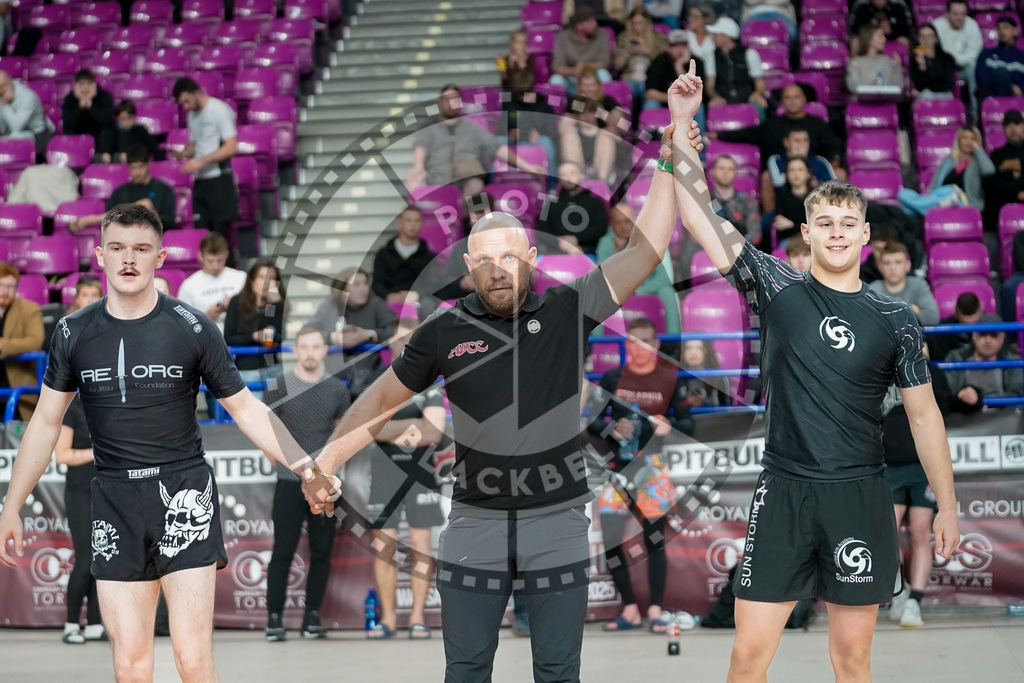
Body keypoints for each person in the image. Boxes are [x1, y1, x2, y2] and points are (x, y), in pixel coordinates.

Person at [305, 66, 695, 682]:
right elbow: (377, 400)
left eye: (508, 257)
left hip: (559, 522)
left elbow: (645, 250)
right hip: (474, 524)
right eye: (484, 260)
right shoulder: (441, 329)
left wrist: (672, 148)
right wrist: (326, 461)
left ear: (531, 258)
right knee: (464, 671)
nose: (496, 269)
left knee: (558, 673)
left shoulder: (571, 308)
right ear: (468, 265)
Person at [669, 67, 959, 680]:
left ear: (864, 239)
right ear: (807, 233)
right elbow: (702, 220)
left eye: (847, 225)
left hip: (859, 495)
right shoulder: (778, 286)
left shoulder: (896, 318)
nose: (835, 232)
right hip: (785, 493)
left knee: (852, 660)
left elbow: (924, 413)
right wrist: (681, 126)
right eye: (823, 223)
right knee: (748, 656)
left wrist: (949, 505)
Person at [0, 204, 339, 682]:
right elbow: (44, 423)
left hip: (184, 493)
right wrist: (11, 504)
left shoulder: (193, 326)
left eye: (141, 249)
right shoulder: (73, 332)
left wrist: (308, 467)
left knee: (193, 661)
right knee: (129, 664)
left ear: (160, 258)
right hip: (115, 500)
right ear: (100, 255)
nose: (128, 259)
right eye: (117, 248)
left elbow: (246, 409)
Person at [585, 317, 693, 632]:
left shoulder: (670, 378)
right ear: (626, 344)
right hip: (616, 471)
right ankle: (630, 608)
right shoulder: (612, 377)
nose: (638, 348)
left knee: (654, 541)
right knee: (612, 542)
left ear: (656, 344)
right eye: (632, 342)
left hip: (653, 472)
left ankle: (656, 611)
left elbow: (689, 424)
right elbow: (591, 421)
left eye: (644, 342)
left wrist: (670, 425)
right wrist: (611, 428)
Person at [263, 325, 351, 642]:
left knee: (322, 552)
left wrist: (329, 471)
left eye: (316, 347)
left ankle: (311, 616)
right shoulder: (278, 386)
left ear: (325, 350)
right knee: (282, 550)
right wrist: (283, 464)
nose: (311, 353)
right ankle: (273, 618)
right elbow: (265, 430)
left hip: (324, 483)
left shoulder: (338, 390)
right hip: (289, 480)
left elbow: (343, 435)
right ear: (295, 351)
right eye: (305, 347)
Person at [882, 341, 979, 628]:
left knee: (921, 533)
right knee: (888, 535)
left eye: (918, 340)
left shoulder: (931, 373)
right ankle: (899, 593)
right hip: (889, 464)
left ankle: (915, 601)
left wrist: (976, 396)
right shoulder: (881, 371)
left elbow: (956, 404)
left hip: (923, 468)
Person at [365, 317, 447, 640]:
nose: (404, 344)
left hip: (420, 473)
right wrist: (414, 429)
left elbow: (435, 432)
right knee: (383, 545)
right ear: (390, 345)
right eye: (398, 339)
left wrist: (390, 431)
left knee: (420, 544)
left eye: (409, 339)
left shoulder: (430, 380)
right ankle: (388, 620)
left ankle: (417, 619)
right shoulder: (377, 380)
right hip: (384, 473)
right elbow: (370, 430)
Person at [56, 281, 105, 645]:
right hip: (79, 490)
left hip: (105, 489)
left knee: (104, 558)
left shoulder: (105, 407)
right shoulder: (72, 409)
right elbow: (63, 456)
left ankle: (98, 623)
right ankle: (72, 622)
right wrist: (96, 453)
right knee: (86, 557)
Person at [406, 85, 544, 197]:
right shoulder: (429, 127)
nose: (451, 103)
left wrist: (528, 167)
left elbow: (498, 148)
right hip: (437, 180)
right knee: (413, 181)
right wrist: (418, 166)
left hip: (467, 181)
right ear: (440, 102)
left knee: (476, 186)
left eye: (455, 99)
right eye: (447, 99)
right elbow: (420, 147)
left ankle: (467, 221)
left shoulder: (473, 128)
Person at [713, 83, 842, 177]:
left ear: (804, 99)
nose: (792, 101)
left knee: (839, 174)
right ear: (782, 102)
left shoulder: (817, 123)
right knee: (766, 177)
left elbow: (832, 147)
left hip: (812, 168)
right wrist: (719, 135)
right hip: (783, 169)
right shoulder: (773, 124)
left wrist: (832, 162)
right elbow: (747, 134)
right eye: (788, 98)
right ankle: (774, 214)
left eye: (796, 97)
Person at [309, 266, 397, 396]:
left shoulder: (375, 303)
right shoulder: (329, 306)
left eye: (365, 283)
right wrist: (333, 338)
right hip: (335, 377)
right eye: (356, 284)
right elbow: (309, 333)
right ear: (343, 289)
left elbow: (397, 330)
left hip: (370, 376)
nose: (364, 288)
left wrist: (369, 335)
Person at [171, 77, 239, 241]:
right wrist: (183, 153)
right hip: (201, 180)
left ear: (197, 93)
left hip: (219, 178)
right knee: (203, 236)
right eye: (183, 104)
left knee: (221, 237)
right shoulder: (192, 116)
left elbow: (231, 147)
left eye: (187, 101)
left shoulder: (218, 109)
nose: (186, 107)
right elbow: (195, 145)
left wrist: (200, 161)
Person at [596, 202, 681, 333]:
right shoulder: (606, 243)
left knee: (667, 292)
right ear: (611, 224)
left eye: (627, 221)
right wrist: (617, 252)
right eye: (618, 222)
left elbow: (663, 278)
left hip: (645, 288)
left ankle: (673, 343)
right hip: (616, 291)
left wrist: (640, 290)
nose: (623, 227)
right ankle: (597, 346)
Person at [69, 144, 177, 233]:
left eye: (141, 167)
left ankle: (93, 219)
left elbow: (170, 221)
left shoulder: (164, 189)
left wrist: (152, 216)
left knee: (146, 204)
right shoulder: (120, 192)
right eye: (133, 168)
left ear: (148, 164)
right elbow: (110, 223)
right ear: (128, 167)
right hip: (126, 237)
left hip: (153, 235)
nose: (138, 172)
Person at [898, 125, 994, 215]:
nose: (968, 142)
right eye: (964, 138)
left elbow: (990, 171)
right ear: (959, 140)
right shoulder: (948, 161)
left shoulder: (977, 161)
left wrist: (978, 149)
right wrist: (927, 194)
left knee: (951, 190)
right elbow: (934, 183)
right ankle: (936, 205)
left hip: (964, 201)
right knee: (903, 194)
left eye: (972, 139)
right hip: (940, 196)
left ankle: (929, 209)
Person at [223, 260, 286, 390]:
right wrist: (255, 336)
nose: (266, 283)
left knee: (275, 410)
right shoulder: (236, 302)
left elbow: (278, 337)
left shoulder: (275, 303)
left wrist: (274, 304)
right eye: (262, 277)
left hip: (272, 368)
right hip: (247, 370)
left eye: (272, 279)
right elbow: (229, 338)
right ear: (252, 280)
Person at [559, 68, 628, 184]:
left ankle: (600, 181)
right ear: (580, 86)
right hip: (580, 141)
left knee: (607, 135)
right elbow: (562, 127)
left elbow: (624, 127)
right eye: (585, 85)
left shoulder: (608, 101)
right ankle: (577, 175)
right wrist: (580, 114)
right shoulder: (576, 102)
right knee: (568, 134)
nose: (588, 89)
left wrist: (603, 114)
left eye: (592, 85)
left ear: (598, 86)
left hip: (604, 144)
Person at [944, 314, 1023, 405]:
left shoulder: (1013, 362)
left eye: (994, 335)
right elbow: (950, 394)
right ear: (974, 335)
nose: (988, 340)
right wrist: (965, 399)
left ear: (1002, 338)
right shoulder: (956, 358)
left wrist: (981, 401)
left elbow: (1017, 395)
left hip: (1002, 416)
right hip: (966, 414)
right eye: (982, 334)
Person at [176, 232, 247, 334]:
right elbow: (182, 325)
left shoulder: (241, 278)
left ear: (226, 255)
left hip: (239, 336)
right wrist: (206, 316)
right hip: (206, 339)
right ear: (201, 256)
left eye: (219, 260)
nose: (215, 266)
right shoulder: (189, 285)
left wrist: (234, 305)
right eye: (210, 261)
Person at [0, 261, 44, 420]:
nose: (5, 291)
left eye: (10, 286)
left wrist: (2, 346)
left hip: (18, 386)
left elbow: (35, 341)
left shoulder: (29, 309)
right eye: (1, 285)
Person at [537, 161, 610, 255]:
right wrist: (561, 242)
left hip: (589, 253)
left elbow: (601, 229)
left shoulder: (596, 202)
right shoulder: (550, 204)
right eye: (563, 174)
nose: (568, 178)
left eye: (572, 173)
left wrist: (576, 239)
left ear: (581, 174)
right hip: (556, 254)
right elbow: (541, 231)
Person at [372, 205, 436, 307]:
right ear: (399, 223)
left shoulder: (429, 257)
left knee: (428, 305)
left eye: (417, 221)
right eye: (408, 220)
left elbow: (433, 284)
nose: (413, 225)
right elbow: (377, 284)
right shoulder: (383, 254)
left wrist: (416, 294)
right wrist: (388, 296)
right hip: (388, 302)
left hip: (419, 302)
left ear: (422, 224)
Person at [867, 242, 940, 326]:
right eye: (887, 263)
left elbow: (932, 317)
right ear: (880, 267)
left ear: (907, 265)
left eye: (898, 262)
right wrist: (913, 310)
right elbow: (868, 323)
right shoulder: (872, 290)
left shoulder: (919, 285)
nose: (892, 268)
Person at [549, 6, 614, 98]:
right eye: (590, 21)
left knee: (604, 74)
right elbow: (557, 66)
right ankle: (559, 110)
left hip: (592, 78)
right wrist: (572, 71)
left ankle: (601, 107)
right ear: (579, 25)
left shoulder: (602, 35)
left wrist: (586, 67)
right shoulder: (562, 37)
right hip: (572, 79)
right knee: (555, 80)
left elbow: (605, 61)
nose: (595, 24)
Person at [703, 17, 767, 109]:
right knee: (711, 107)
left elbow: (760, 84)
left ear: (727, 36)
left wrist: (757, 94)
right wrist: (715, 97)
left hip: (747, 99)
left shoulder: (749, 54)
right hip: (723, 100)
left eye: (716, 35)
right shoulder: (711, 56)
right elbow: (709, 86)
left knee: (759, 106)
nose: (713, 38)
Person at [932, 0, 983, 109]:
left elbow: (974, 53)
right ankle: (949, 110)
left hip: (965, 67)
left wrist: (955, 59)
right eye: (955, 14)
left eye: (962, 14)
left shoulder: (972, 25)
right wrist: (951, 60)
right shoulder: (937, 26)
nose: (959, 18)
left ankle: (976, 112)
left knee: (973, 67)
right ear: (947, 14)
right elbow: (939, 53)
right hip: (944, 68)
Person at [644, 28, 705, 112]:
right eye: (675, 45)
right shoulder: (658, 62)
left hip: (686, 102)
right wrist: (674, 98)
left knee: (698, 107)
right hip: (663, 102)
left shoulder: (696, 62)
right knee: (651, 104)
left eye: (683, 45)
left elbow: (695, 92)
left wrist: (679, 66)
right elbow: (650, 93)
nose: (680, 50)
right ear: (668, 47)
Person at [616, 6, 667, 103]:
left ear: (647, 22)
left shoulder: (658, 37)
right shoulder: (624, 37)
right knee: (626, 90)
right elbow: (617, 66)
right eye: (634, 23)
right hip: (630, 77)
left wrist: (647, 52)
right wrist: (627, 53)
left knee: (650, 95)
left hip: (650, 79)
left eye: (640, 23)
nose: (637, 26)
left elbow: (664, 62)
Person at [709, 154, 760, 244]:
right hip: (708, 249)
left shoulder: (748, 201)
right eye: (721, 168)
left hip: (740, 251)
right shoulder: (704, 200)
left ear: (736, 173)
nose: (725, 172)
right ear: (713, 171)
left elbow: (755, 234)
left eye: (730, 169)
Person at [766, 128, 836, 192]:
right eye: (797, 140)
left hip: (814, 200)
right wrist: (797, 160)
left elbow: (834, 186)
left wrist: (818, 186)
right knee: (765, 176)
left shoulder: (820, 161)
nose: (802, 144)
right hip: (785, 200)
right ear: (786, 143)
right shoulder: (776, 160)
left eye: (805, 140)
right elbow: (777, 182)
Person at [0, 69, 53, 153]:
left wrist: (6, 104)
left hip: (38, 135)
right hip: (15, 135)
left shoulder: (28, 96)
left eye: (4, 85)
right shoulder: (2, 96)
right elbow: (2, 128)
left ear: (10, 80)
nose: (2, 90)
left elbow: (16, 127)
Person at [769, 156, 817, 246]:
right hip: (789, 240)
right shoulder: (782, 196)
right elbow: (781, 229)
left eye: (800, 169)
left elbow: (818, 225)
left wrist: (792, 225)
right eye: (792, 170)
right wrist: (803, 224)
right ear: (786, 174)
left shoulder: (817, 196)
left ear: (808, 173)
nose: (796, 174)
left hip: (813, 239)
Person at [846, 24, 906, 95]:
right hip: (863, 103)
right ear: (869, 39)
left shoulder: (886, 60)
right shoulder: (856, 62)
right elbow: (853, 85)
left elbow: (898, 86)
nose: (884, 39)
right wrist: (871, 87)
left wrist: (897, 68)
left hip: (885, 102)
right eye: (880, 36)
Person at [61, 69, 114, 147]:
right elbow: (67, 123)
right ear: (76, 86)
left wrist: (90, 106)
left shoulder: (104, 96)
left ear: (94, 84)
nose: (86, 87)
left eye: (89, 83)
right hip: (77, 138)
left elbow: (107, 121)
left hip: (99, 138)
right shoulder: (69, 99)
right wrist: (80, 107)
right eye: (81, 84)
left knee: (107, 131)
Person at [975, 16, 1024, 101]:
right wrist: (1010, 86)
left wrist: (1021, 87)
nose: (1002, 31)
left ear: (1015, 31)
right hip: (991, 98)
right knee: (1000, 72)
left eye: (1006, 27)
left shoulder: (1022, 57)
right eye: (999, 28)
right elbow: (981, 79)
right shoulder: (986, 54)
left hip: (1017, 99)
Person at [985, 109, 1024, 212]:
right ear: (1003, 129)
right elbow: (991, 181)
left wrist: (1007, 166)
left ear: (1023, 126)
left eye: (1016, 124)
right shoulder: (997, 155)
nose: (1013, 129)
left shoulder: (1002, 160)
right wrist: (1017, 192)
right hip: (1005, 205)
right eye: (1008, 125)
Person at [98, 100, 158, 164]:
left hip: (137, 166)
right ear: (117, 118)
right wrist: (118, 157)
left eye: (130, 118)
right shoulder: (111, 132)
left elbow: (154, 149)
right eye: (123, 118)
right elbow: (106, 156)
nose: (126, 122)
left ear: (134, 117)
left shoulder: (141, 131)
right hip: (117, 168)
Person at [928, 291, 983, 361]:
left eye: (974, 323)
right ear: (955, 314)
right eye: (964, 324)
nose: (969, 328)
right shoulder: (940, 332)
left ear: (981, 310)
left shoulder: (990, 329)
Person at [910, 23, 957, 100]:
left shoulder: (947, 58)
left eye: (929, 36)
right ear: (918, 39)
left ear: (935, 38)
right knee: (925, 96)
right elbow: (918, 86)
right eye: (922, 36)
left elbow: (948, 84)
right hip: (925, 96)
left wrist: (929, 88)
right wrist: (922, 65)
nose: (926, 40)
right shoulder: (914, 59)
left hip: (944, 93)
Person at [678, 337, 731, 406]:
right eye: (688, 348)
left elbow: (726, 410)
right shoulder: (676, 377)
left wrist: (703, 403)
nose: (693, 352)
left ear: (705, 351)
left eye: (699, 348)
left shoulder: (720, 377)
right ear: (683, 352)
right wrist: (686, 402)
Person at [849, 0, 914, 50]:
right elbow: (854, 31)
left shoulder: (898, 5)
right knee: (855, 42)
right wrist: (874, 30)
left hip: (892, 39)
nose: (880, 1)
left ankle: (905, 67)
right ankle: (855, 66)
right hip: (868, 40)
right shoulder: (861, 6)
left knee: (904, 41)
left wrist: (891, 30)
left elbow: (907, 30)